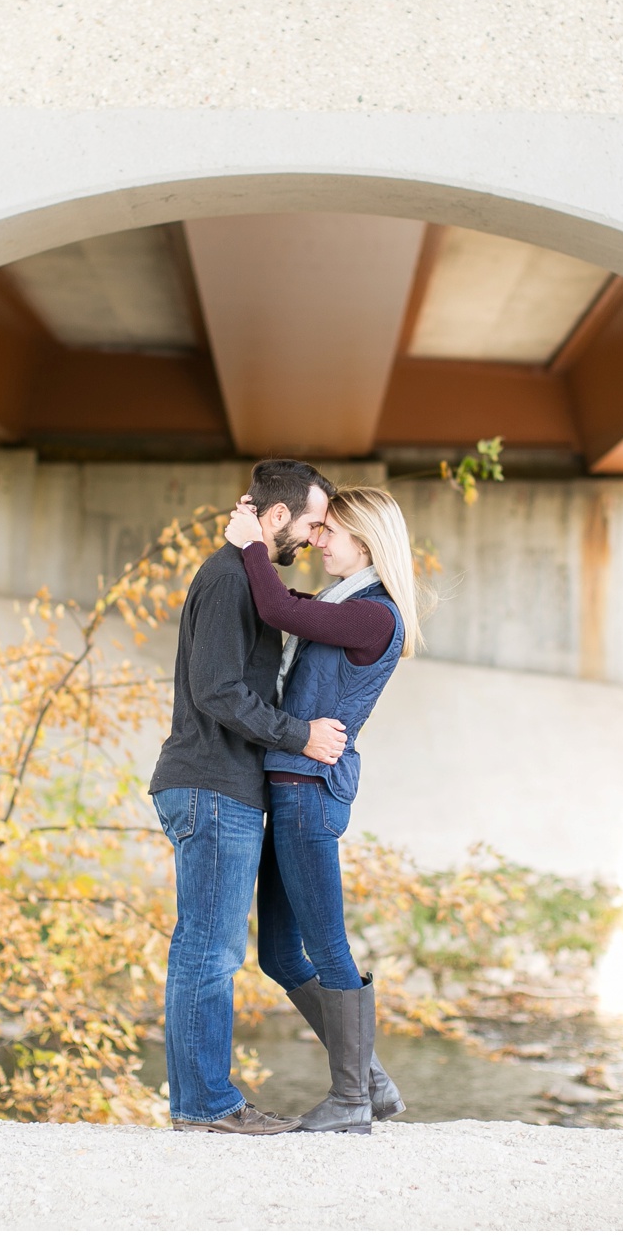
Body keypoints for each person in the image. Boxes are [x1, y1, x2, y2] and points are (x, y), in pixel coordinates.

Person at [149, 458, 350, 1135]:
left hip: (214, 783)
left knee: (199, 948)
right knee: (210, 951)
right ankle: (207, 1107)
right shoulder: (230, 578)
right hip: (211, 784)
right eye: (312, 522)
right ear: (275, 517)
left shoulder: (247, 575)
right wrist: (300, 736)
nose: (315, 538)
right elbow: (219, 690)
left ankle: (195, 1106)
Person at [224, 484, 425, 1135]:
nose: (317, 539)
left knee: (327, 944)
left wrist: (253, 543)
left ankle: (351, 1101)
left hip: (310, 793)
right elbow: (291, 609)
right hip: (290, 787)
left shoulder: (376, 615)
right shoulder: (344, 604)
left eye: (328, 531)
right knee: (280, 955)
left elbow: (278, 607)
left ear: (366, 539)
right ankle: (366, 1078)